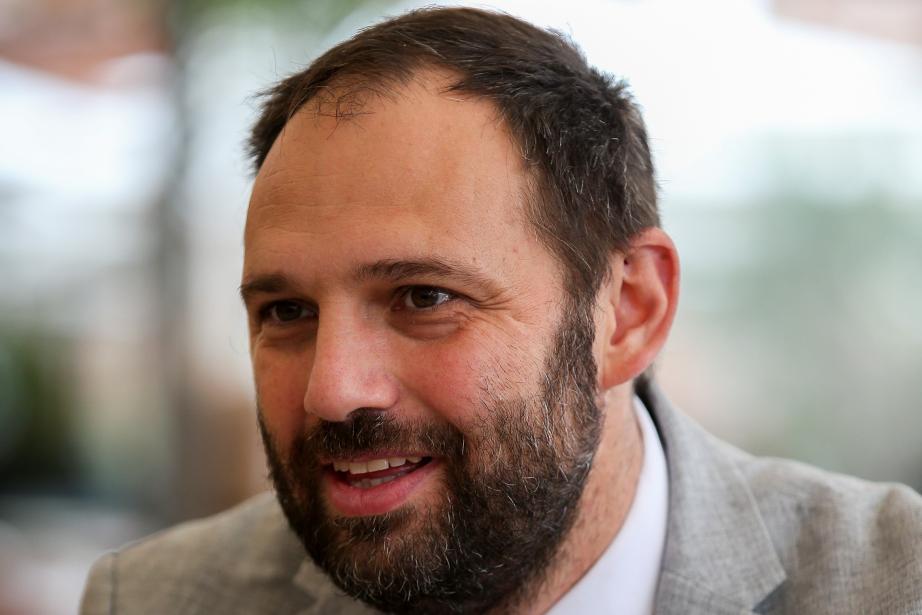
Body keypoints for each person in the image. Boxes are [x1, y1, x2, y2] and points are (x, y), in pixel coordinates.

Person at [80, 7, 922, 615]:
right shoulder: (155, 598)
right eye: (287, 311)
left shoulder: (896, 581)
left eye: (424, 298)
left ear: (628, 310)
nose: (332, 392)